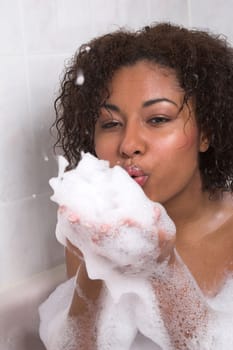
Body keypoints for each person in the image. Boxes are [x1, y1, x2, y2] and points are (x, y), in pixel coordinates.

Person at [40, 22, 233, 349]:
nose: (128, 145)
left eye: (158, 119)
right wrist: (94, 262)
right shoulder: (92, 233)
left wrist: (163, 270)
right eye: (111, 124)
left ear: (206, 133)